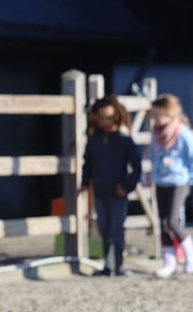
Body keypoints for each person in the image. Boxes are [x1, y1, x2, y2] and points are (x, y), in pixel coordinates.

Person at [80, 95, 141, 276]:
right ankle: (107, 265)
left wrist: (127, 186)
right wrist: (84, 182)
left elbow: (136, 167)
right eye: (102, 118)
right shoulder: (94, 141)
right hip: (100, 191)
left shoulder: (124, 141)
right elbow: (87, 163)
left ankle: (118, 265)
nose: (106, 122)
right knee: (104, 229)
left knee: (117, 229)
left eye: (109, 117)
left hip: (118, 193)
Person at [148, 93, 193, 277]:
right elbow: (152, 155)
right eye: (155, 114)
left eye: (160, 114)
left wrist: (190, 179)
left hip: (179, 181)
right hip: (161, 181)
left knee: (173, 221)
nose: (157, 118)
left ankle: (190, 254)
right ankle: (169, 261)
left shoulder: (183, 132)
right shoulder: (156, 134)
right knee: (163, 223)